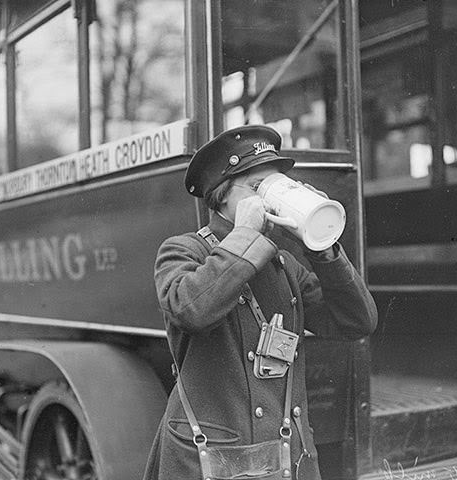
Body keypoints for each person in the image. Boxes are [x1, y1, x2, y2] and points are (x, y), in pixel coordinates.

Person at [144, 125, 377, 480]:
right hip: (213, 461)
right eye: (257, 188)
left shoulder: (284, 265)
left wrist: (324, 248)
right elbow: (191, 309)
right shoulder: (183, 250)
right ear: (221, 197)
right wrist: (245, 235)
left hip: (287, 460)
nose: (270, 198)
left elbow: (357, 322)